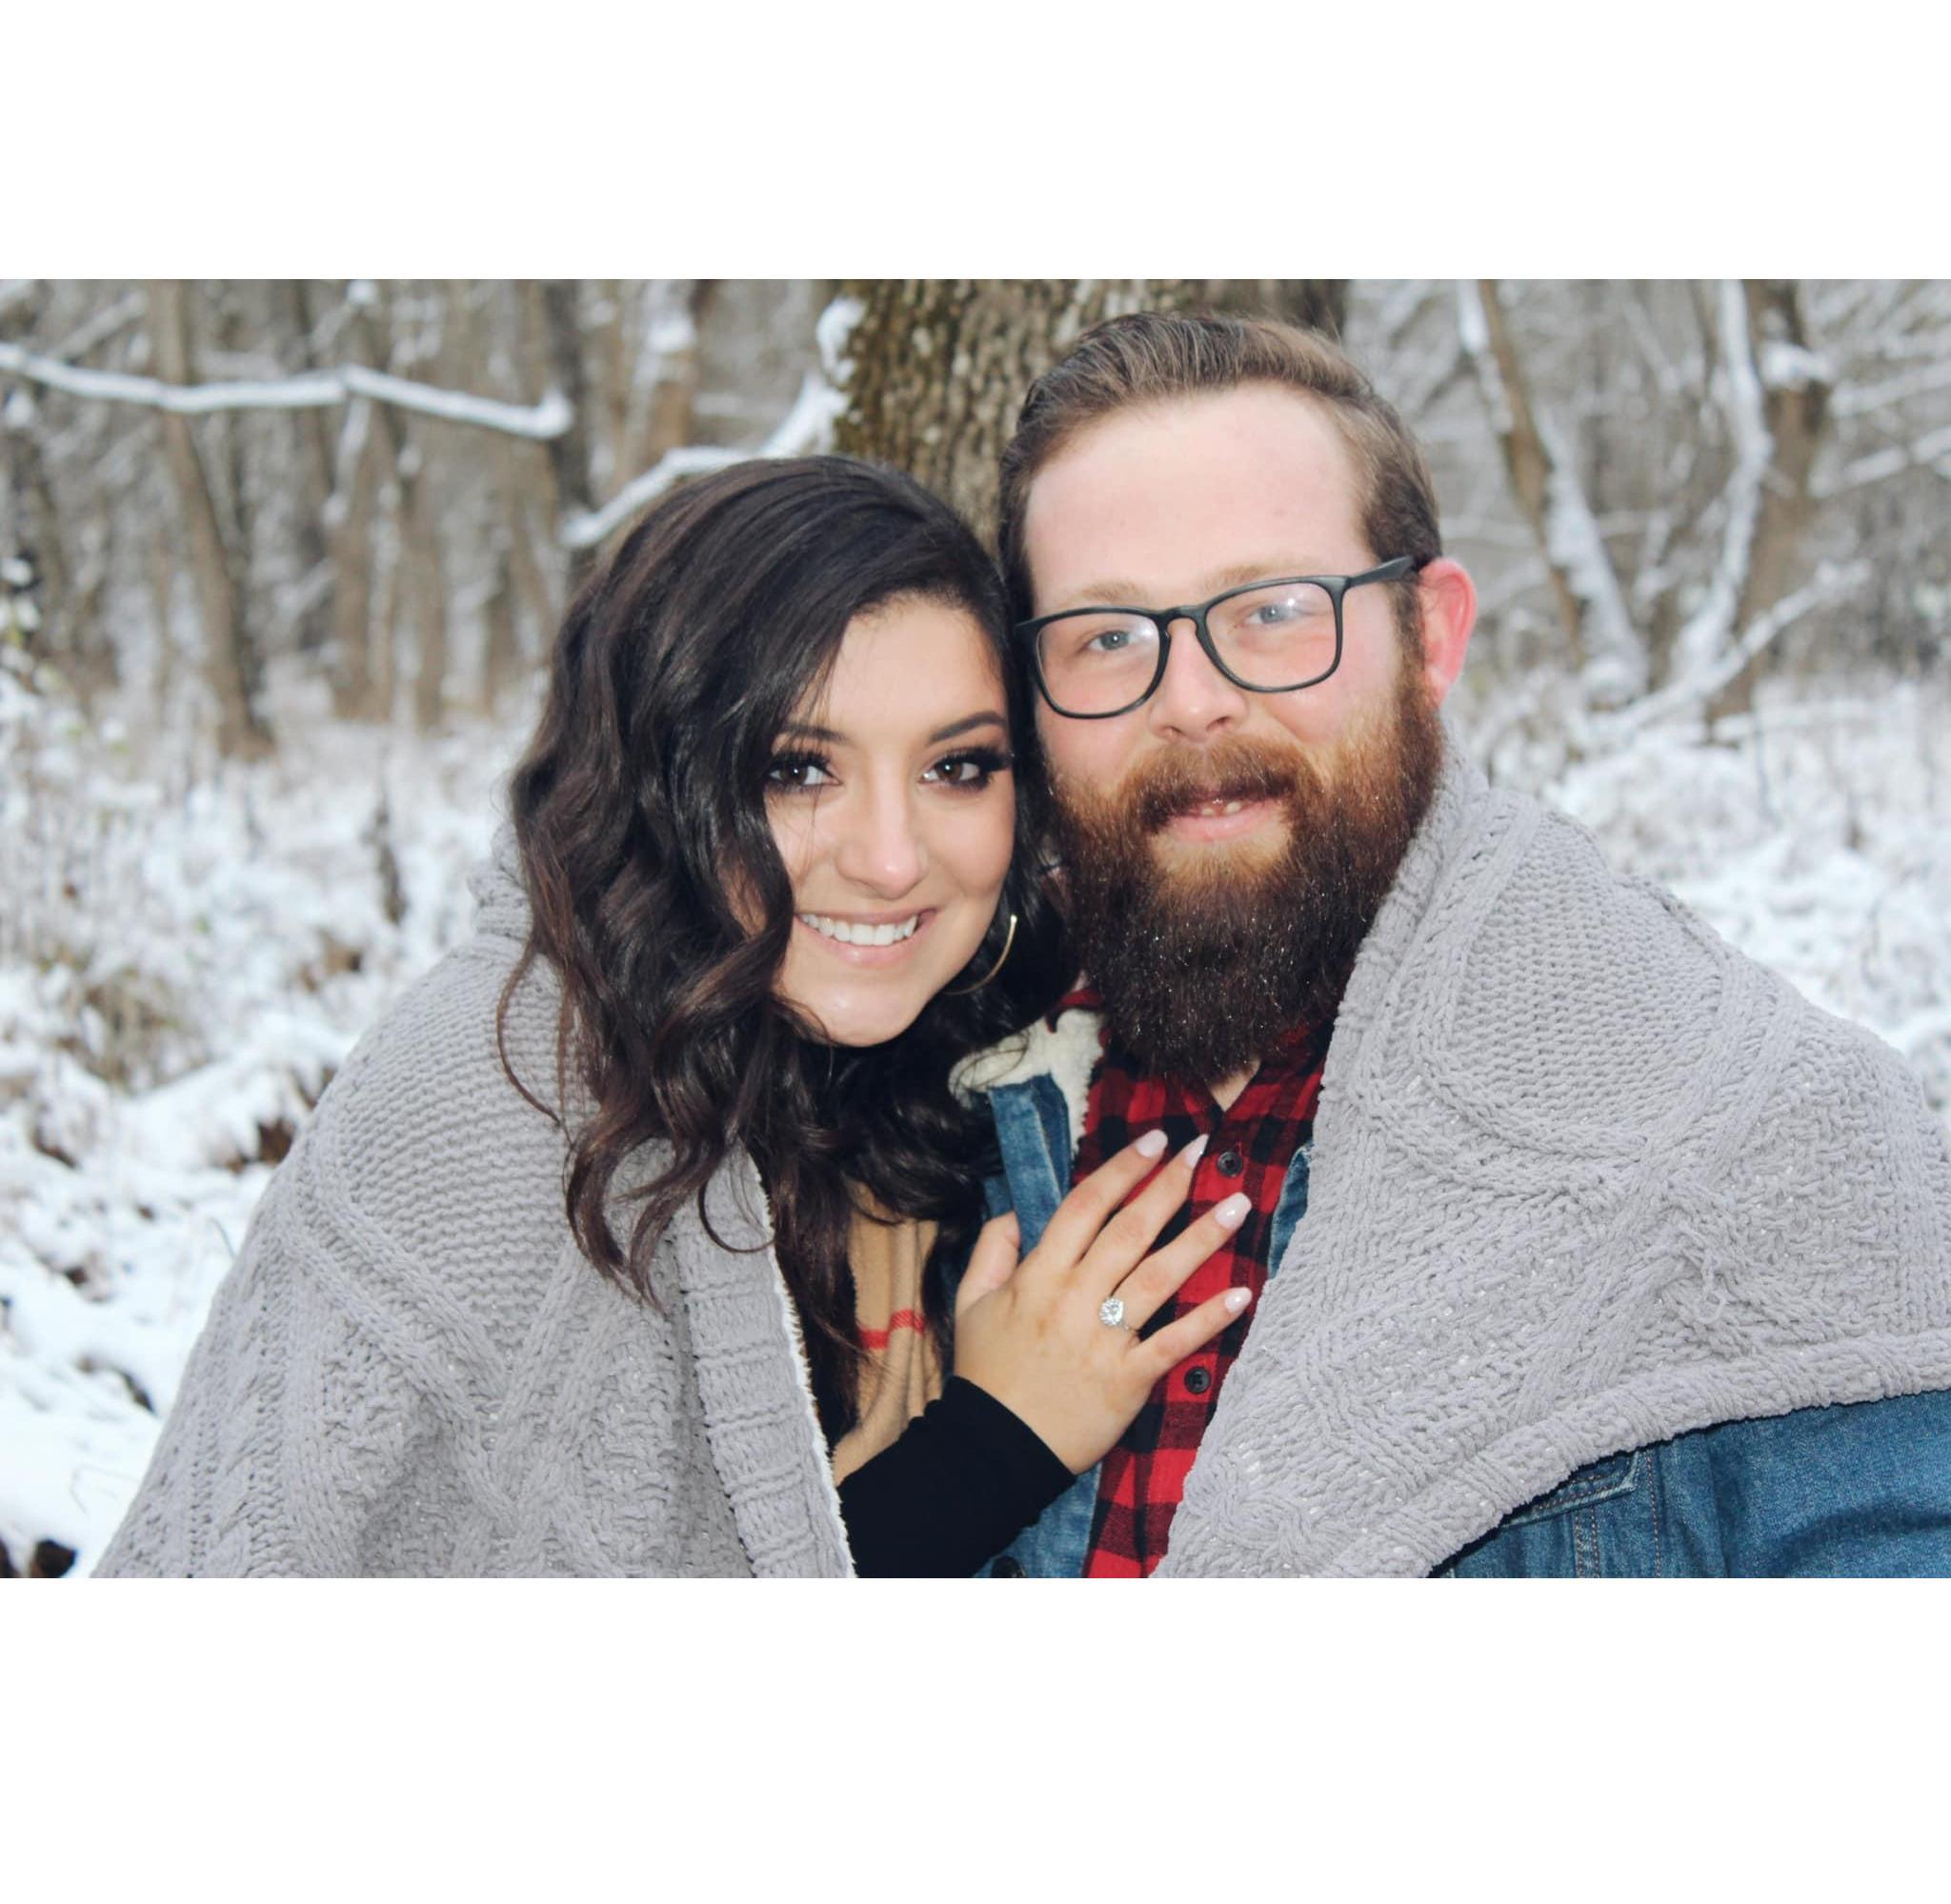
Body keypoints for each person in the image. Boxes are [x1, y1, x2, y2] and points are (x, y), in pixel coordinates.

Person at [93, 455, 1254, 1577]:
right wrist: (996, 1441)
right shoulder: (493, 1086)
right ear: (658, 776)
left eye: (955, 767)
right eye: (798, 768)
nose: (892, 858)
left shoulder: (940, 1062)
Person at [961, 311, 1951, 1577]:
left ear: (1430, 637)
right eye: (1106, 635)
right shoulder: (913, 1108)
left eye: (1273, 610)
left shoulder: (1759, 1135)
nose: (1191, 699)